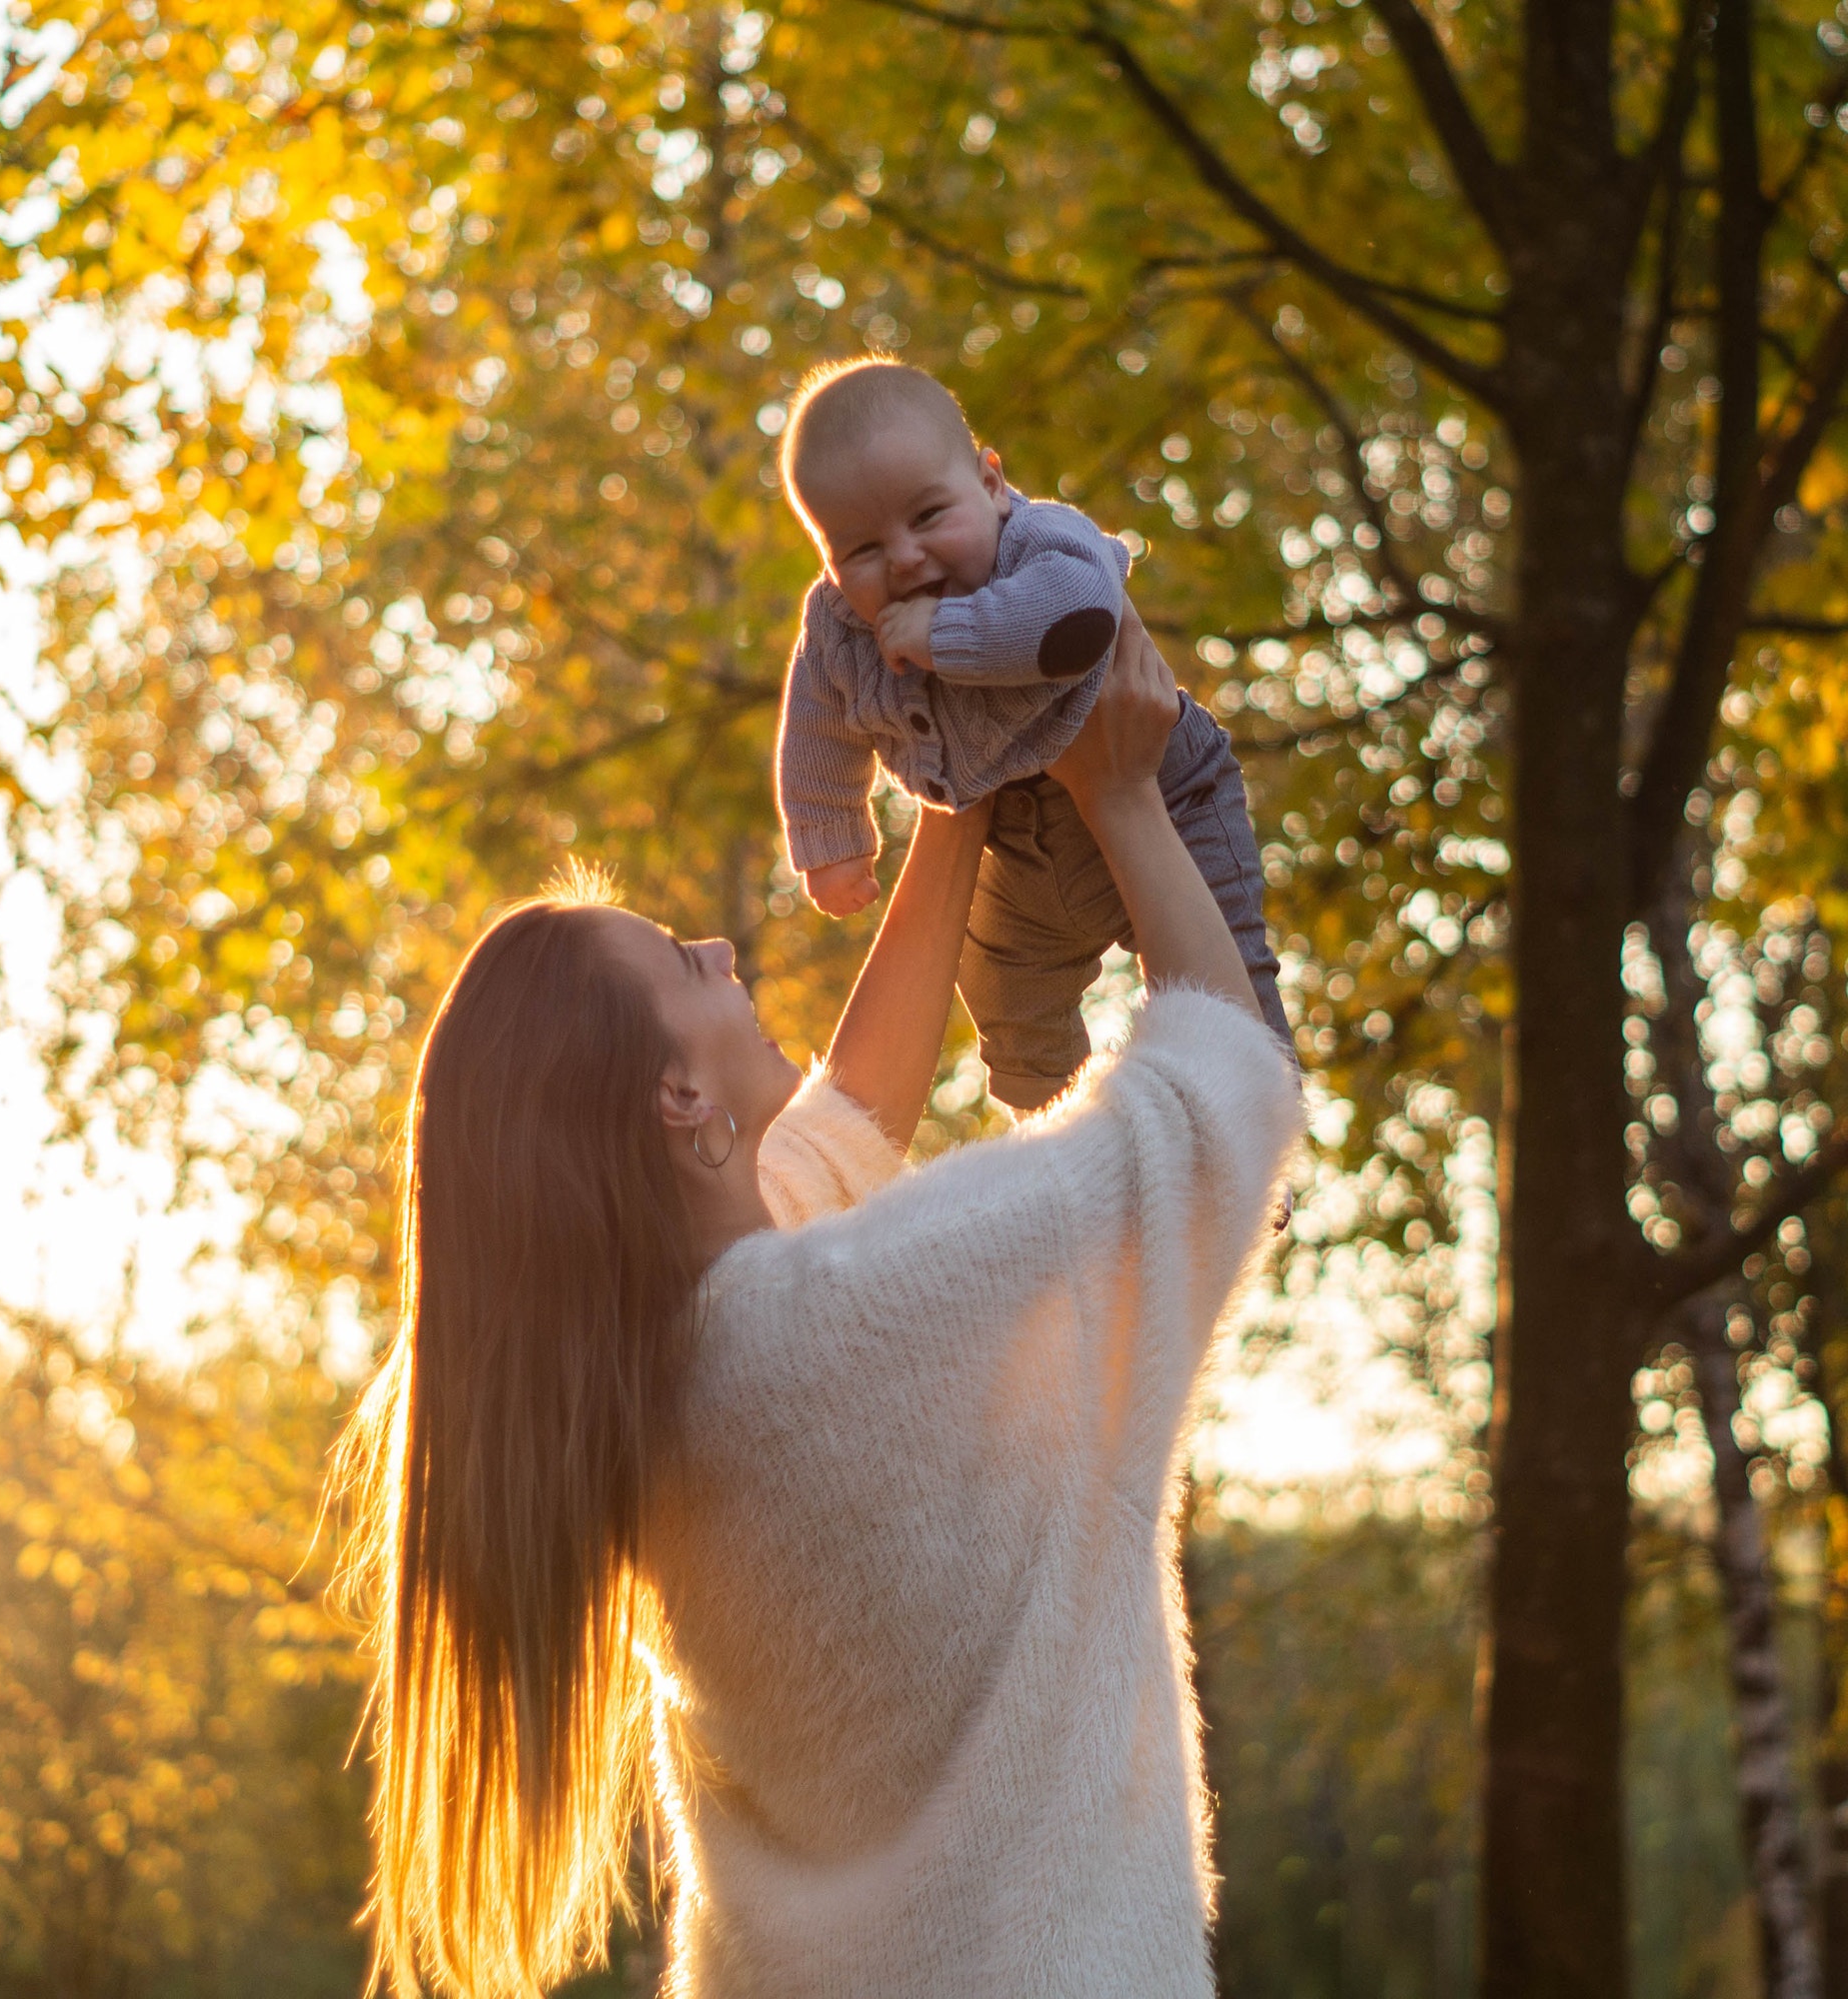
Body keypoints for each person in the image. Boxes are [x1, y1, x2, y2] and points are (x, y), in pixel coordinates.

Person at [336, 608, 1305, 1998]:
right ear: (681, 1103)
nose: (723, 953)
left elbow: (845, 1122)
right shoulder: (886, 1302)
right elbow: (1222, 1100)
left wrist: (955, 799)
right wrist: (1122, 795)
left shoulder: (645, 1386)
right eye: (684, 965)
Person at [773, 357, 1293, 1108]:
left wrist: (941, 633)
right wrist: (829, 839)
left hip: (1168, 789)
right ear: (827, 562)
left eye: (926, 517)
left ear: (989, 483)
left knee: (1225, 964)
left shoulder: (1042, 540)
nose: (906, 557)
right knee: (1005, 1002)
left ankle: (1257, 1143)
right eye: (860, 550)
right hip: (1010, 843)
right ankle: (1052, 1154)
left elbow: (1076, 625)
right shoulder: (836, 624)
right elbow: (816, 731)